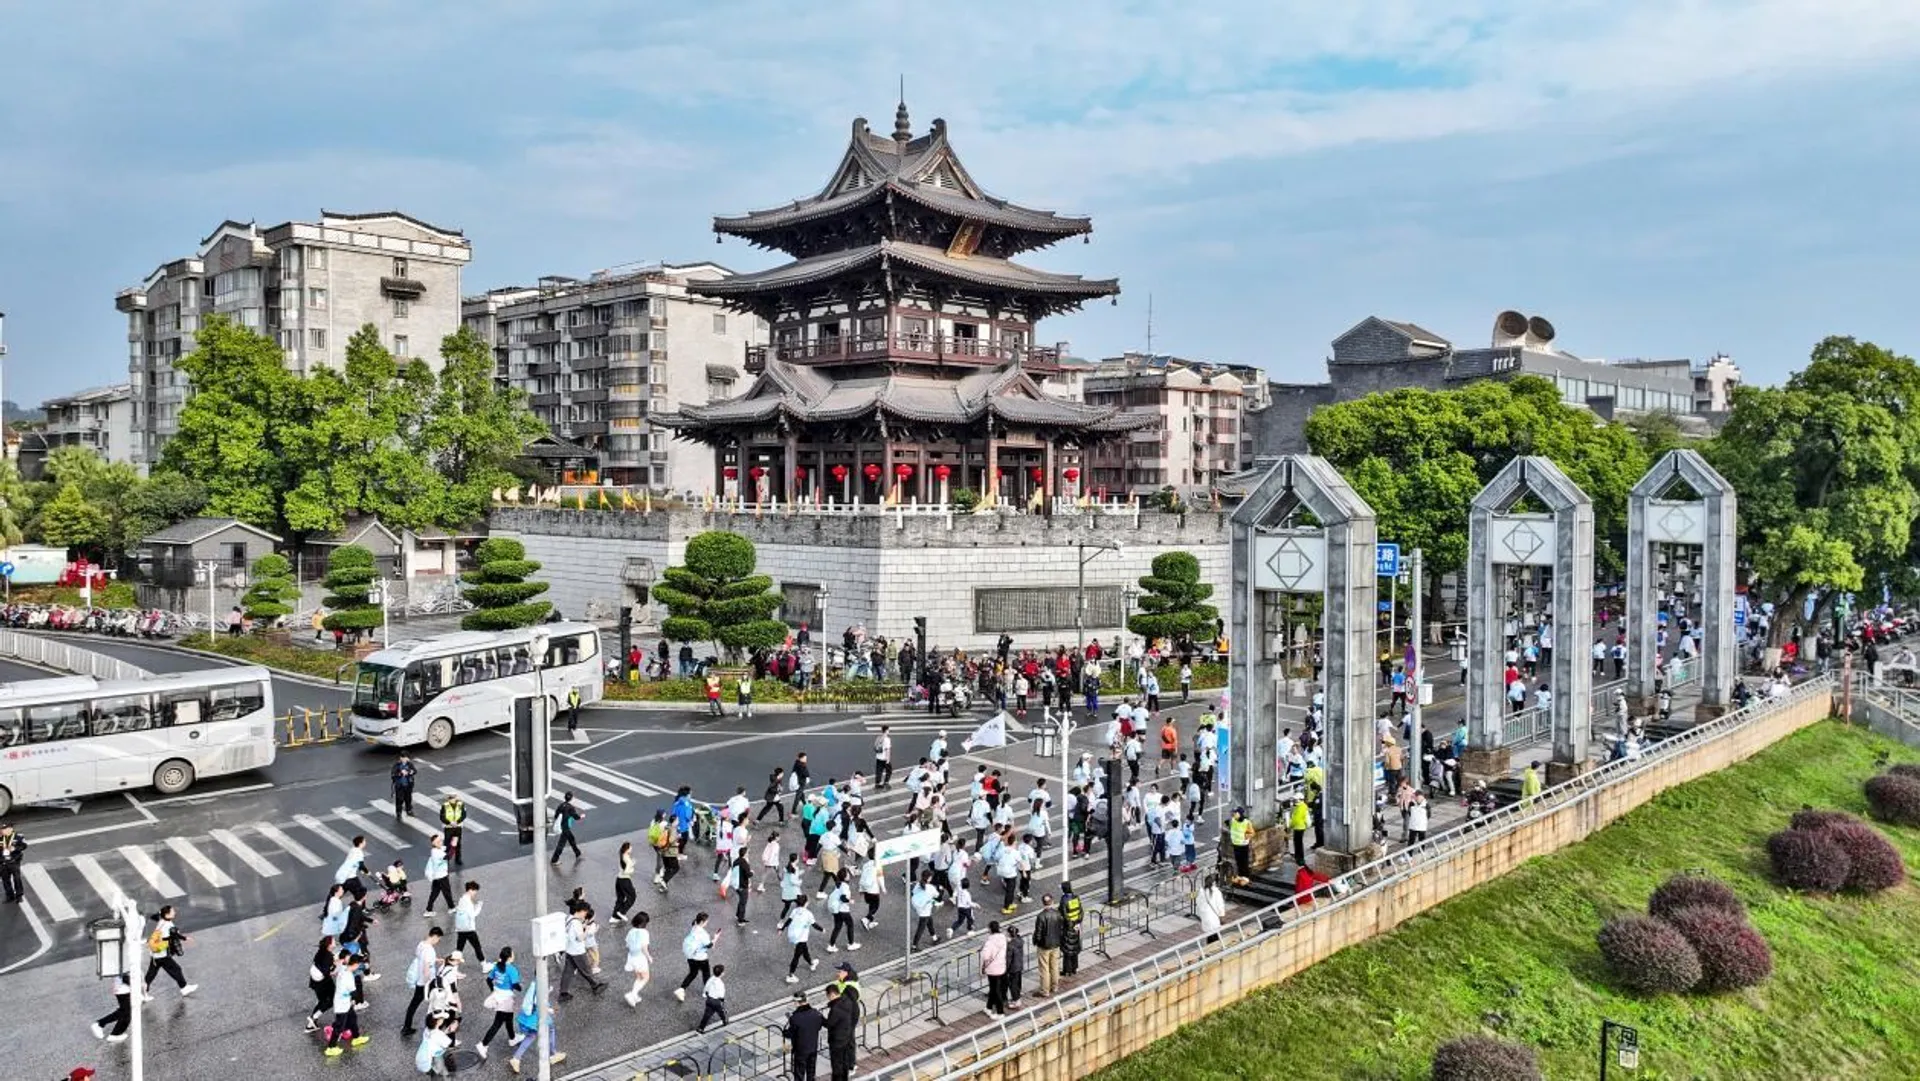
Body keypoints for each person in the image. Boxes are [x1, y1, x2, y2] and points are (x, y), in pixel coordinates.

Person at [474, 947, 522, 1061]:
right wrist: (520, 988)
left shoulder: (497, 966)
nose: (514, 955)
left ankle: (512, 1038)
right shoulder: (512, 969)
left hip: (499, 995)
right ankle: (483, 1044)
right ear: (510, 957)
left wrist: (493, 990)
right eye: (513, 954)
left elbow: (488, 980)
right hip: (506, 998)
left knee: (509, 1018)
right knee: (498, 1022)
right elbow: (515, 985)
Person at [142, 905, 197, 999]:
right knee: (176, 969)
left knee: (150, 975)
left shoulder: (161, 920)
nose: (174, 913)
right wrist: (185, 938)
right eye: (172, 912)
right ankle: (184, 988)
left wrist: (160, 912)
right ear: (167, 915)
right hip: (162, 954)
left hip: (155, 953)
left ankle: (142, 993)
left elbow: (153, 916)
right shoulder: (168, 925)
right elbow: (174, 935)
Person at [322, 950, 367, 1056]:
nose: (358, 967)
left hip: (344, 1003)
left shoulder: (343, 969)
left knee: (352, 1019)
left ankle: (356, 1037)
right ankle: (331, 1047)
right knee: (339, 1026)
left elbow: (342, 961)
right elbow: (354, 992)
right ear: (355, 965)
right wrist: (355, 1000)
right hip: (342, 1005)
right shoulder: (348, 977)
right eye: (358, 965)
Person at [401, 926, 444, 1036]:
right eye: (438, 939)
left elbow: (422, 959)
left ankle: (407, 1026)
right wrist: (427, 982)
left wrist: (436, 960)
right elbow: (426, 968)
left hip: (420, 981)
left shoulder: (421, 945)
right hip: (426, 981)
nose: (438, 942)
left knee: (414, 1004)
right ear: (435, 936)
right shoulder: (429, 950)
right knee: (437, 1001)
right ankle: (436, 1026)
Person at [557, 904, 605, 999]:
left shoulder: (569, 918)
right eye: (585, 913)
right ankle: (595, 985)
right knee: (585, 969)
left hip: (569, 949)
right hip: (578, 950)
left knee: (568, 971)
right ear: (582, 911)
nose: (585, 916)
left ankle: (563, 992)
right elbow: (580, 938)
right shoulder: (577, 923)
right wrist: (586, 930)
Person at [673, 913, 716, 1002]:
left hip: (690, 956)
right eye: (706, 922)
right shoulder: (703, 933)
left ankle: (682, 989)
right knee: (706, 973)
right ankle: (706, 992)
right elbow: (709, 945)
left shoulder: (694, 927)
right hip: (701, 958)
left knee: (693, 973)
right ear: (702, 922)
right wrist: (714, 939)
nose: (707, 923)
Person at [784, 992, 827, 1081]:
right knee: (811, 1072)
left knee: (799, 1073)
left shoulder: (795, 1018)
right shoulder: (816, 1013)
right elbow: (826, 1024)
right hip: (813, 1047)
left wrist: (784, 1032)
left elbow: (790, 1034)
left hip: (800, 1050)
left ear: (796, 1003)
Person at [1031, 894, 1066, 997]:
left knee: (1044, 968)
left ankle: (1045, 990)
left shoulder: (1041, 916)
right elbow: (1061, 928)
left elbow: (1038, 933)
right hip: (1056, 944)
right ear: (1052, 901)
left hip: (1044, 946)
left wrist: (1036, 941)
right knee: (1055, 966)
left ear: (1043, 903)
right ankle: (1055, 986)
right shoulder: (1057, 914)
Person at [826, 982, 859, 1081]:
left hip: (837, 1040)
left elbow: (829, 1024)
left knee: (836, 1065)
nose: (828, 998)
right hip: (846, 1037)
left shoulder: (835, 1009)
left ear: (832, 995)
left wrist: (819, 1018)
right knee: (844, 1062)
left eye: (828, 996)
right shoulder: (846, 1001)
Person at [90, 969, 134, 1042]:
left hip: (123, 988)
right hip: (123, 989)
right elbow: (124, 974)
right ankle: (101, 1025)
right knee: (125, 1012)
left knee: (125, 1012)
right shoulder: (122, 959)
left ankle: (114, 1033)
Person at [980, 921, 1010, 1015]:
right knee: (994, 989)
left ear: (990, 929)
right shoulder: (1003, 937)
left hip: (992, 969)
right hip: (1001, 966)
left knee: (996, 990)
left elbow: (985, 956)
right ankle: (988, 1007)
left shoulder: (990, 941)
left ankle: (1000, 1012)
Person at [422, 835, 455, 915]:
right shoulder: (436, 852)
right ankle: (452, 907)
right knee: (447, 892)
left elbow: (446, 848)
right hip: (442, 876)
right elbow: (448, 856)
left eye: (440, 840)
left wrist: (451, 843)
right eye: (438, 841)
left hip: (436, 876)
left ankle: (428, 910)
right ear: (433, 843)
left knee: (434, 893)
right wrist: (453, 847)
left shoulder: (437, 849)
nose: (440, 842)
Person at [452, 881, 484, 962]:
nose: (475, 893)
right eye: (475, 891)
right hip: (469, 929)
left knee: (459, 949)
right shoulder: (468, 902)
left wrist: (475, 906)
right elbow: (473, 915)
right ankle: (484, 964)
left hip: (460, 928)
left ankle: (452, 966)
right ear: (470, 890)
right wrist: (479, 907)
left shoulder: (462, 899)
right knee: (477, 947)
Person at [695, 963, 730, 1033]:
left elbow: (706, 987)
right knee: (721, 1011)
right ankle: (725, 1021)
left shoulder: (711, 979)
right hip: (716, 1001)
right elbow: (721, 994)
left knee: (707, 1014)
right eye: (723, 971)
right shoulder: (720, 983)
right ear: (721, 974)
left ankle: (701, 1028)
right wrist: (722, 1000)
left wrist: (705, 993)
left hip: (709, 999)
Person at [551, 792, 584, 864]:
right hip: (565, 827)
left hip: (562, 826)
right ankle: (554, 859)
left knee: (571, 839)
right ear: (571, 798)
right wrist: (581, 816)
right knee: (561, 844)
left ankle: (577, 853)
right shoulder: (570, 807)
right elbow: (576, 817)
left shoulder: (561, 805)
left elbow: (556, 816)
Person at [1059, 882, 1084, 976]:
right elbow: (1081, 911)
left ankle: (1067, 970)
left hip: (1068, 928)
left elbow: (1064, 914)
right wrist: (1077, 922)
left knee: (1067, 950)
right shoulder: (1076, 897)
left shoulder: (1064, 900)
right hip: (1076, 927)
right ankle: (1074, 968)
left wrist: (1070, 925)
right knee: (1074, 949)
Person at [1197, 872, 1226, 945]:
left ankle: (1209, 949)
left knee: (1209, 935)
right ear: (1214, 882)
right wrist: (1222, 916)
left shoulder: (1201, 891)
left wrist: (1201, 914)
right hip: (1214, 917)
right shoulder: (1216, 892)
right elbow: (1220, 905)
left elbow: (1198, 904)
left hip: (1205, 917)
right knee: (1215, 936)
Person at [0, 822, 26, 903]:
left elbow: (24, 846)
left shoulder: (18, 837)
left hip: (14, 860)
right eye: (3, 829)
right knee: (5, 879)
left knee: (17, 878)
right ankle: (10, 896)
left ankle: (19, 895)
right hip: (3, 861)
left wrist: (15, 848)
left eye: (6, 829)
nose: (4, 830)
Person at [1226, 808, 1253, 881]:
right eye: (1234, 813)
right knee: (1238, 862)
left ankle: (1246, 878)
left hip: (1243, 845)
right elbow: (1229, 826)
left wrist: (1244, 837)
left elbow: (1251, 833)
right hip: (1235, 845)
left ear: (1240, 814)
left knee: (1244, 862)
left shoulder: (1247, 822)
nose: (1234, 814)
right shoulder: (1233, 820)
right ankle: (1240, 876)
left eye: (1236, 813)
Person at [391, 754, 418, 820]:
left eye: (406, 757)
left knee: (408, 799)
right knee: (399, 800)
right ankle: (398, 813)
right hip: (400, 786)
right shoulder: (397, 765)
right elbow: (393, 774)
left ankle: (409, 810)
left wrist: (409, 772)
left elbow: (415, 771)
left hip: (408, 785)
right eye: (404, 757)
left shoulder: (409, 764)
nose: (405, 759)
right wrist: (400, 773)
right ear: (400, 758)